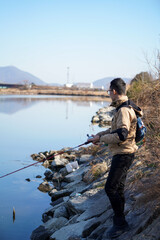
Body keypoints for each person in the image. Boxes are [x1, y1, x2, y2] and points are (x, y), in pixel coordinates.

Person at [87, 78, 143, 238]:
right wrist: (98, 135)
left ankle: (120, 224)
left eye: (108, 91)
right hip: (125, 153)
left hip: (124, 153)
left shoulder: (124, 110)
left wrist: (101, 139)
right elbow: (114, 130)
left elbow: (121, 135)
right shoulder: (124, 107)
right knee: (117, 188)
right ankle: (120, 221)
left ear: (114, 92)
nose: (108, 94)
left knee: (110, 188)